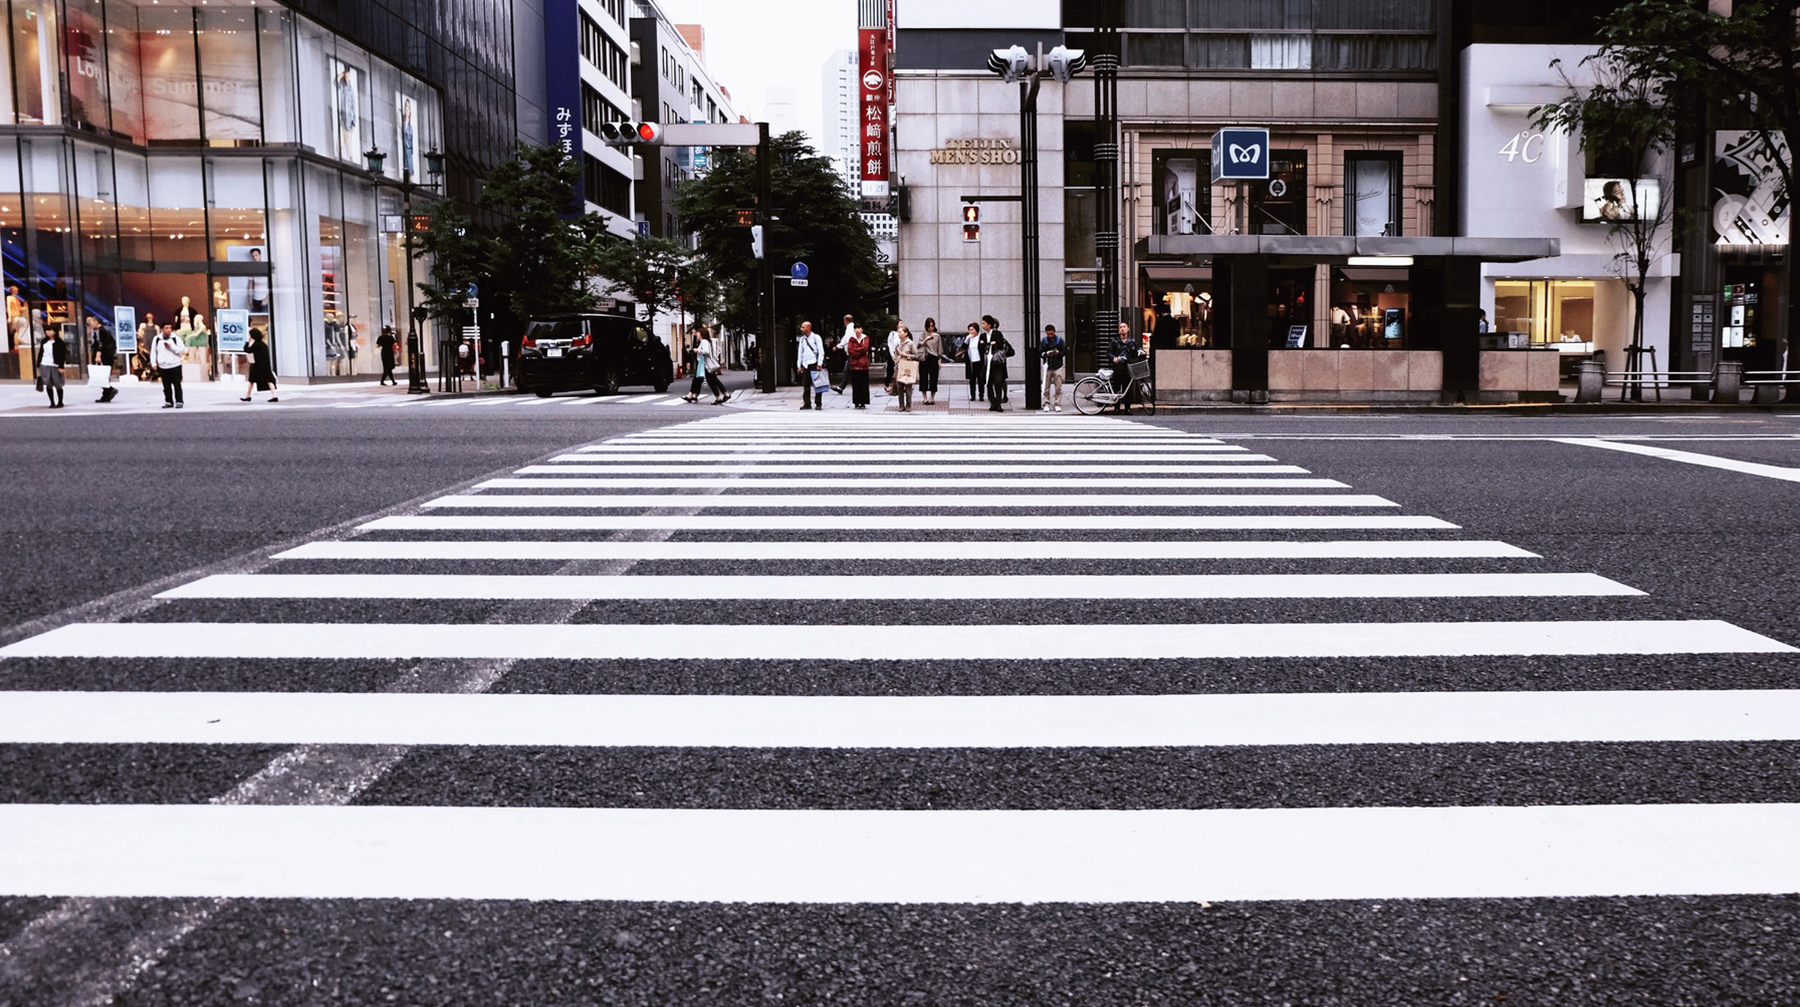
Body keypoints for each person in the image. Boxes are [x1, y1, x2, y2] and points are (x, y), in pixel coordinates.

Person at [683, 325, 729, 404]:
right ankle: (719, 397)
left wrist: (697, 350)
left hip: (705, 364)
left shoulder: (704, 341)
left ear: (701, 334)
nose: (697, 334)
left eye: (698, 333)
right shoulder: (704, 341)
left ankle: (723, 395)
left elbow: (706, 351)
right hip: (704, 364)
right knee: (710, 381)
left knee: (709, 380)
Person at [150, 323, 186, 409]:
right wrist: (153, 363)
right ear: (161, 329)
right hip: (163, 365)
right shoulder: (157, 339)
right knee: (166, 385)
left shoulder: (175, 338)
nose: (169, 330)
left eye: (170, 328)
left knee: (177, 384)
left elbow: (182, 350)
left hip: (175, 364)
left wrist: (171, 347)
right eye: (166, 328)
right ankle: (168, 401)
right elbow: (153, 351)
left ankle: (179, 401)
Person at [982, 315, 1012, 412]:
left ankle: (998, 403)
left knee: (998, 382)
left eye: (984, 323)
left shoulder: (997, 334)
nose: (982, 325)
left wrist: (987, 344)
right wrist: (989, 344)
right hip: (987, 362)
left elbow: (998, 345)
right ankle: (992, 402)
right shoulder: (983, 335)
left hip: (997, 362)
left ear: (989, 324)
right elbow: (981, 347)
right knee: (988, 382)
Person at [241, 327, 278, 402]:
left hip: (258, 366)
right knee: (269, 380)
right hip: (265, 365)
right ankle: (274, 395)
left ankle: (248, 396)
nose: (250, 336)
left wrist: (247, 342)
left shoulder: (256, 345)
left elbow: (247, 350)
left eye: (250, 335)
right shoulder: (262, 344)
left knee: (252, 380)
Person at [1112, 321, 1141, 413]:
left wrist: (1140, 352)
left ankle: (1127, 408)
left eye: (1124, 327)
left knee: (1127, 389)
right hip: (1117, 368)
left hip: (1127, 369)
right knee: (1116, 388)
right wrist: (1114, 358)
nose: (1122, 328)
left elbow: (1136, 352)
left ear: (1128, 329)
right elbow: (1109, 353)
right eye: (1120, 327)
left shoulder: (1132, 342)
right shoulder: (1114, 341)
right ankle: (1116, 408)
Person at [795, 320, 825, 410]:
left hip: (814, 363)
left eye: (803, 327)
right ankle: (807, 403)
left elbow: (821, 351)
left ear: (808, 328)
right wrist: (799, 365)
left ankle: (818, 403)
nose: (801, 329)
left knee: (817, 384)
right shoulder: (802, 339)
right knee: (806, 385)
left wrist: (820, 363)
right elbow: (800, 352)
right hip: (805, 363)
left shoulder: (816, 337)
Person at [88, 315, 118, 403]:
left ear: (97, 322)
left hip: (104, 356)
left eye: (92, 322)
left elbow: (100, 344)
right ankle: (106, 394)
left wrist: (98, 355)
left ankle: (109, 390)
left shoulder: (100, 331)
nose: (90, 325)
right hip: (107, 355)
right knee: (103, 376)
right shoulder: (102, 331)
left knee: (101, 375)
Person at [37, 321, 68, 408]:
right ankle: (52, 402)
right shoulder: (44, 341)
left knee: (58, 383)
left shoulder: (59, 342)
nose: (47, 332)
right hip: (44, 364)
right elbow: (41, 353)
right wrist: (38, 365)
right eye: (46, 330)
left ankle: (60, 402)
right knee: (48, 384)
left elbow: (63, 355)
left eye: (50, 330)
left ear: (54, 331)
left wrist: (61, 366)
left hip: (55, 365)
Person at [845, 322, 871, 409]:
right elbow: (850, 350)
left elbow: (865, 349)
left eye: (859, 328)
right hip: (854, 365)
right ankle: (856, 402)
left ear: (862, 329)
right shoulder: (851, 339)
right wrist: (858, 352)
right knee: (855, 384)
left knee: (864, 384)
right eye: (855, 328)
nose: (857, 330)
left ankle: (863, 402)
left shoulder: (865, 338)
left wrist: (856, 350)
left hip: (863, 365)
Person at [1041, 323, 1066, 412]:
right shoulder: (1044, 341)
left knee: (1058, 387)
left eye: (1051, 334)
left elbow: (1064, 352)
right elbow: (1040, 352)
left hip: (1057, 366)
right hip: (1048, 366)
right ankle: (1046, 403)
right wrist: (1046, 354)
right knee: (1046, 387)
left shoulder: (1060, 340)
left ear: (1054, 332)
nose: (1050, 335)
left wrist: (1057, 352)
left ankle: (1057, 403)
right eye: (1048, 334)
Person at [894, 323, 919, 412]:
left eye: (901, 332)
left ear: (906, 333)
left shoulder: (910, 343)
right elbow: (896, 354)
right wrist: (896, 359)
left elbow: (917, 355)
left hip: (908, 366)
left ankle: (908, 405)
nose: (899, 334)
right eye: (898, 332)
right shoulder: (897, 344)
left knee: (908, 387)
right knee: (899, 387)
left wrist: (907, 355)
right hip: (899, 366)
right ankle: (901, 405)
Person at [918, 318, 942, 406]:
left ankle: (932, 398)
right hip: (924, 357)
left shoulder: (937, 336)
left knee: (934, 377)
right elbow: (919, 345)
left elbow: (939, 349)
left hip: (933, 357)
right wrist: (926, 339)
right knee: (923, 377)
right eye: (929, 326)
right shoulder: (923, 334)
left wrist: (939, 360)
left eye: (932, 326)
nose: (930, 328)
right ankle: (925, 398)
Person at [963, 321, 984, 401]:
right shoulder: (968, 339)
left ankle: (981, 395)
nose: (970, 331)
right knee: (972, 379)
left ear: (976, 330)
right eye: (969, 330)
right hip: (971, 362)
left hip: (979, 361)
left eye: (972, 329)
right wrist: (966, 339)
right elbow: (963, 348)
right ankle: (973, 395)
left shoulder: (981, 338)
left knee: (980, 379)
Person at [884, 322, 902, 395]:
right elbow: (890, 344)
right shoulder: (893, 333)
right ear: (896, 325)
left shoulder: (904, 332)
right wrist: (892, 355)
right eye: (900, 323)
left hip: (901, 353)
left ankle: (899, 386)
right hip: (894, 353)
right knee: (890, 370)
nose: (902, 324)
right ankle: (887, 384)